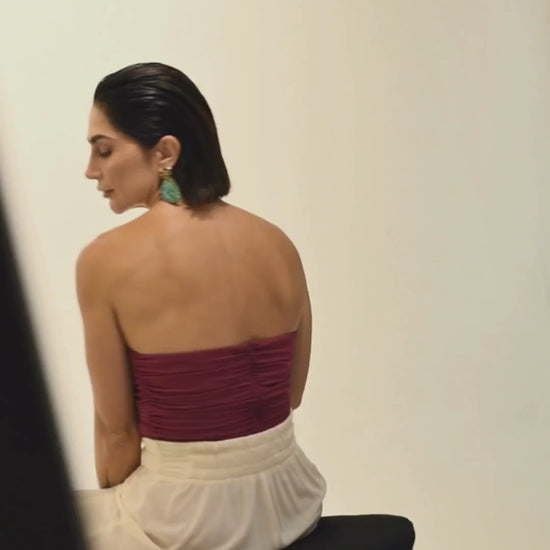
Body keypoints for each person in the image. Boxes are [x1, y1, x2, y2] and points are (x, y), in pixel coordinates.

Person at [73, 62, 326, 550]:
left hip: (189, 519)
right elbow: (290, 394)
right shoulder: (278, 242)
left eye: (104, 150)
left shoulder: (104, 261)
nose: (91, 170)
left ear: (165, 153)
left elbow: (118, 437)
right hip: (292, 501)